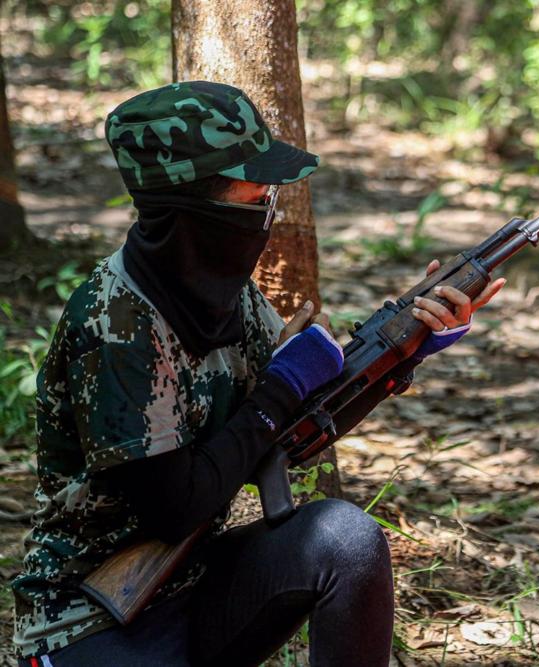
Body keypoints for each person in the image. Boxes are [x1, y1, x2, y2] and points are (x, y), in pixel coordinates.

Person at [11, 81, 504, 666]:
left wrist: (410, 347)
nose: (269, 204)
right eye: (255, 192)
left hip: (197, 585)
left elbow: (299, 424)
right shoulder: (114, 324)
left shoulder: (229, 300)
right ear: (193, 206)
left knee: (347, 540)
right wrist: (280, 387)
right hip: (83, 621)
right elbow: (176, 507)